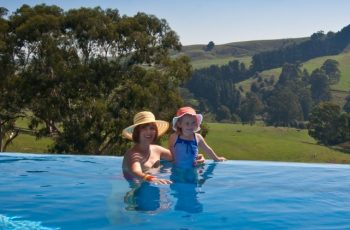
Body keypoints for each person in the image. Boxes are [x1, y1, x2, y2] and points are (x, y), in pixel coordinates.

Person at [122, 111, 173, 185]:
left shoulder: (157, 150)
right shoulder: (132, 154)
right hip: (136, 190)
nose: (149, 132)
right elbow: (136, 172)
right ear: (137, 132)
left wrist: (195, 158)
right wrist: (151, 178)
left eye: (152, 128)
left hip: (152, 187)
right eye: (144, 128)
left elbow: (177, 158)